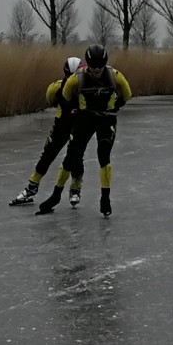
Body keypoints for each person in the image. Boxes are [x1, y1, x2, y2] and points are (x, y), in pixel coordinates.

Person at [39, 44, 134, 216]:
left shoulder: (114, 76)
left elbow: (127, 94)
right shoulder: (77, 78)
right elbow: (66, 96)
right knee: (71, 157)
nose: (97, 70)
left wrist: (117, 106)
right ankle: (56, 195)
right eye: (93, 66)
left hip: (106, 119)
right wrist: (72, 108)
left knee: (103, 155)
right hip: (86, 119)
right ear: (88, 64)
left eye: (100, 66)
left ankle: (105, 198)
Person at [10, 56, 83, 206]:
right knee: (48, 155)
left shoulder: (86, 89)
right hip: (61, 126)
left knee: (76, 157)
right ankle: (32, 187)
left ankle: (75, 188)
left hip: (78, 127)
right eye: (71, 76)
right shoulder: (56, 87)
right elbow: (50, 99)